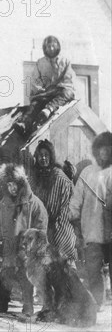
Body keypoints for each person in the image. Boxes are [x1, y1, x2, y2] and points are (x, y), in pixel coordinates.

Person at [0, 164, 48, 316]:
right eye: (8, 185)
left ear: (20, 183)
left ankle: (28, 306)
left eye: (14, 184)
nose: (11, 188)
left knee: (25, 276)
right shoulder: (3, 204)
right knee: (4, 274)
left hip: (26, 250)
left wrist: (34, 248)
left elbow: (41, 227)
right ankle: (3, 303)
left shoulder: (34, 203)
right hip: (8, 247)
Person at [70, 131, 112, 309]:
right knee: (93, 270)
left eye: (109, 150)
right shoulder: (87, 173)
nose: (105, 153)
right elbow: (76, 201)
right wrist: (73, 217)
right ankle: (97, 303)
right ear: (96, 151)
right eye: (102, 150)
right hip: (92, 232)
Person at [17, 36, 76, 134]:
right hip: (45, 93)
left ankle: (48, 109)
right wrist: (41, 89)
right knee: (35, 104)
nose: (51, 48)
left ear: (57, 46)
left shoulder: (65, 61)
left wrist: (57, 87)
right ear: (45, 48)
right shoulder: (40, 62)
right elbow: (35, 80)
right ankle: (24, 123)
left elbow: (68, 80)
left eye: (53, 46)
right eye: (49, 46)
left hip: (60, 91)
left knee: (68, 92)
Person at [30, 139, 77, 263]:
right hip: (42, 227)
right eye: (40, 155)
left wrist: (53, 230)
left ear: (51, 157)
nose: (43, 158)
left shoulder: (60, 177)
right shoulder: (36, 177)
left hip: (60, 226)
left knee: (63, 266)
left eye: (46, 155)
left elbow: (66, 209)